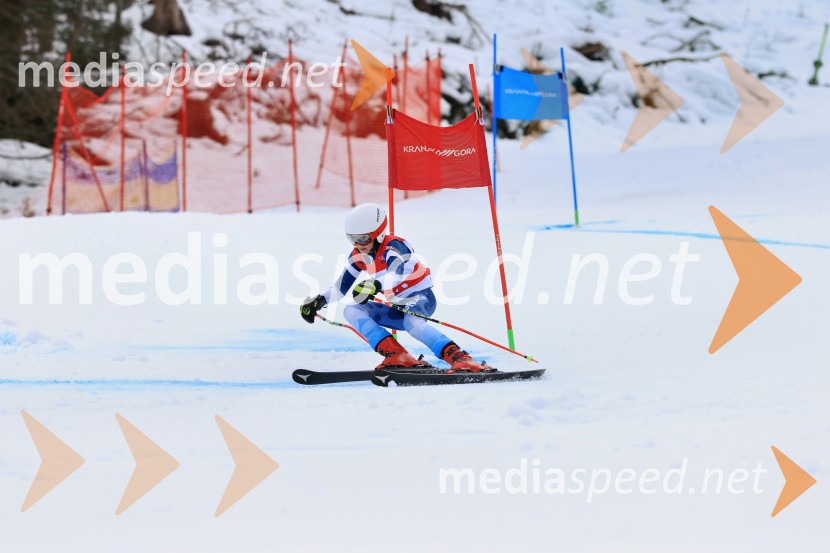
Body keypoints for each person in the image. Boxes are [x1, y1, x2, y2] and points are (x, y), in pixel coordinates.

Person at [300, 202, 486, 372]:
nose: (358, 244)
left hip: (420, 298)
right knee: (352, 309)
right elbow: (340, 288)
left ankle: (461, 358)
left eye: (363, 238)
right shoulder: (358, 254)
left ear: (378, 233)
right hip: (395, 307)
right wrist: (319, 301)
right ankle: (398, 355)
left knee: (411, 322)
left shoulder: (394, 247)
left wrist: (374, 285)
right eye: (353, 239)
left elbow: (395, 274)